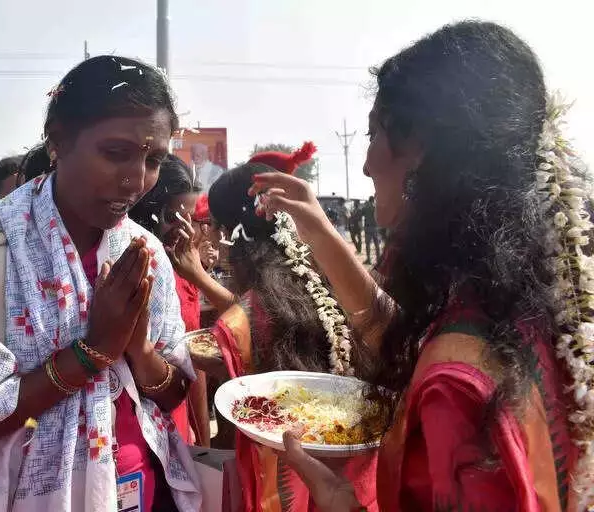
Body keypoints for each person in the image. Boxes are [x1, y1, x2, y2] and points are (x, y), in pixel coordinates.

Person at [251, 21, 590, 511]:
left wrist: (341, 504)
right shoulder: (532, 303)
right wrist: (322, 233)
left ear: (420, 152)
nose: (366, 164)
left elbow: (436, 362)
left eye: (374, 134)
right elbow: (410, 344)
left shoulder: (456, 384)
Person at [0, 55, 201, 511]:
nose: (136, 180)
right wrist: (92, 352)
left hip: (139, 489)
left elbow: (175, 392)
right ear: (59, 140)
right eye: (116, 152)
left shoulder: (144, 252)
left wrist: (137, 350)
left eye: (153, 159)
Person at [197, 146, 376, 512]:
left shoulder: (241, 321)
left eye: (215, 228)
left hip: (279, 490)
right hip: (353, 487)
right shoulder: (343, 286)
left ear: (233, 235)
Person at [129, 154, 216, 448]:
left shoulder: (186, 272)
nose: (184, 230)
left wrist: (202, 439)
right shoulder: (133, 271)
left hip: (182, 414)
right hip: (143, 426)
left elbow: (194, 365)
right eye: (172, 218)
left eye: (190, 218)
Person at [361, 196, 380, 264]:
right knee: (376, 244)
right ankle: (378, 259)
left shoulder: (365, 207)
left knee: (367, 244)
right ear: (373, 200)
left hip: (368, 228)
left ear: (369, 200)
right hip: (375, 228)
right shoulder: (376, 207)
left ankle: (369, 259)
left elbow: (361, 213)